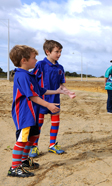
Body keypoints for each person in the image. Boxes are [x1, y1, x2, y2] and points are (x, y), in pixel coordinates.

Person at [8, 45, 67, 177]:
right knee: (23, 139)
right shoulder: (22, 76)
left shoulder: (28, 75)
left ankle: (24, 161)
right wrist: (48, 105)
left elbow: (40, 91)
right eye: (33, 58)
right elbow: (33, 96)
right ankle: (14, 167)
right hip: (24, 114)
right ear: (24, 60)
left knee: (33, 135)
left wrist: (57, 91)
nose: (36, 60)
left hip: (32, 113)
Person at [28, 39, 76, 158]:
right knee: (38, 124)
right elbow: (33, 81)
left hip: (55, 100)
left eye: (60, 52)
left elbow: (61, 85)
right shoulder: (40, 65)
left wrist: (68, 92)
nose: (59, 54)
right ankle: (34, 146)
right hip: (42, 101)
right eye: (57, 51)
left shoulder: (60, 67)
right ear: (48, 52)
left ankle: (52, 145)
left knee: (55, 122)